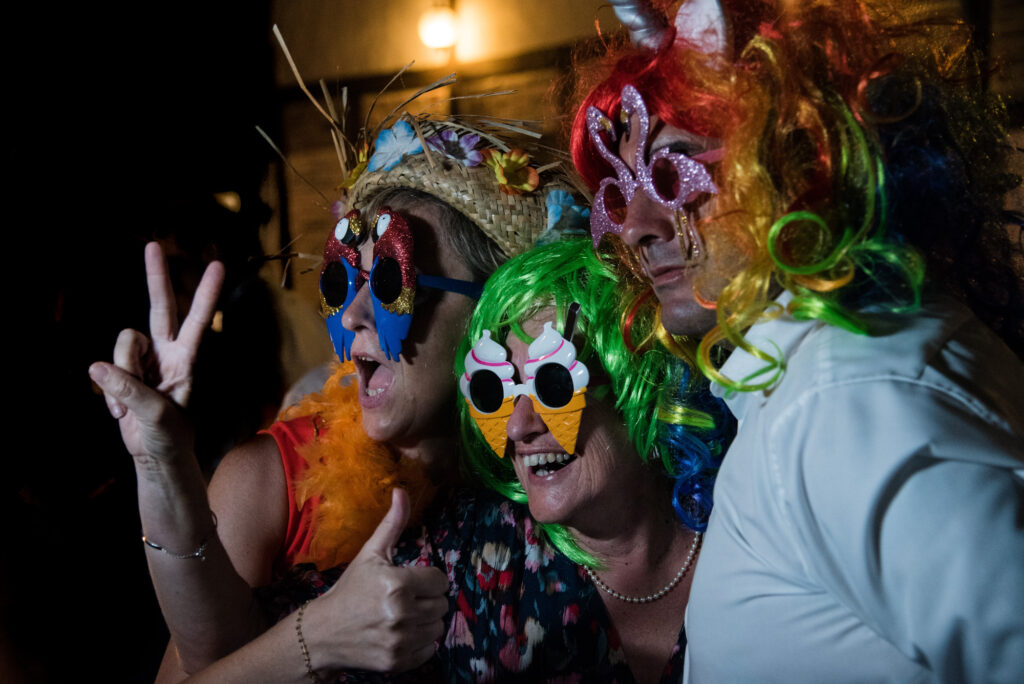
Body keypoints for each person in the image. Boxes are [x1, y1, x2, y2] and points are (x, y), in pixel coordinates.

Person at [570, 0, 1024, 681]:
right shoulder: (811, 383)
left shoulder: (845, 404)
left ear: (796, 155)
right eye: (620, 187)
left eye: (674, 171)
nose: (636, 225)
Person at [88, 92, 583, 680]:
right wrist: (162, 467)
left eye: (394, 280)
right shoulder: (269, 482)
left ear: (494, 309)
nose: (352, 316)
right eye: (345, 280)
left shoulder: (552, 468)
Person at [173, 237, 733, 682]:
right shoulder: (468, 560)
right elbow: (215, 660)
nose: (518, 426)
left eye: (553, 383)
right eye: (494, 392)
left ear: (639, 381)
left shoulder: (749, 520)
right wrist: (161, 463)